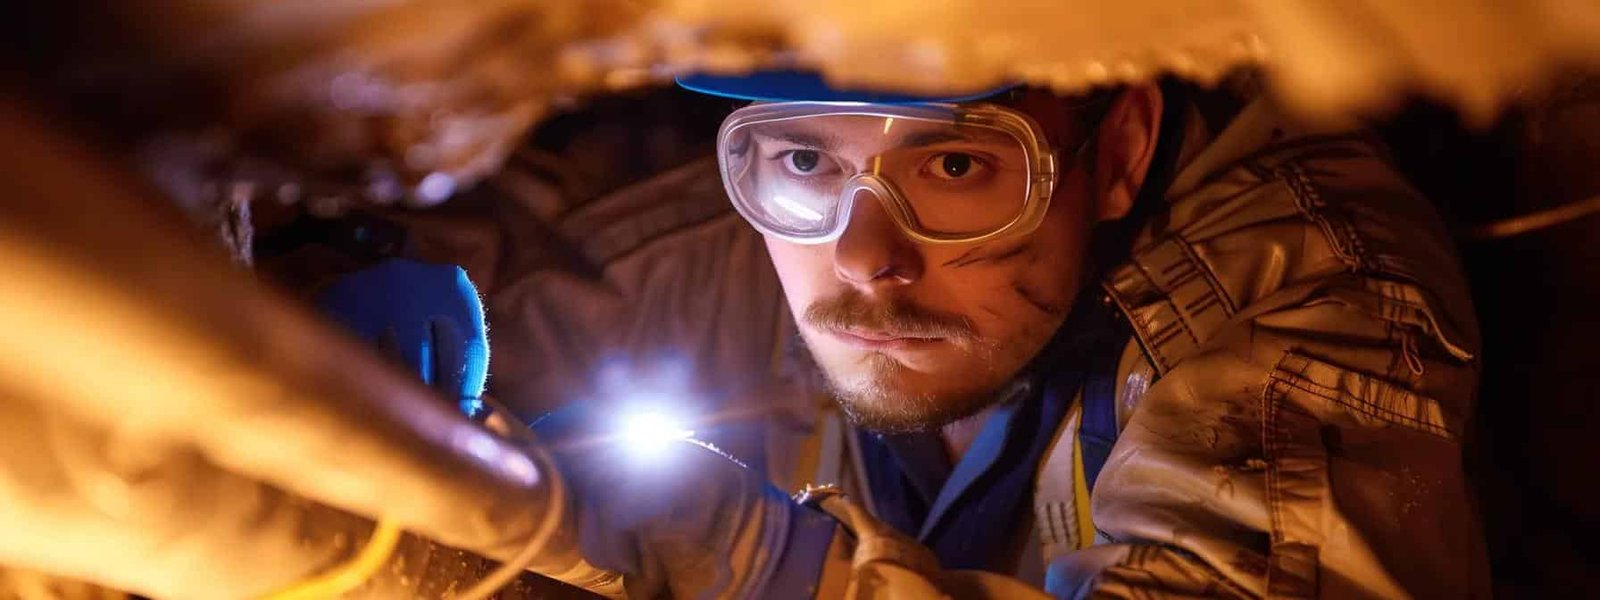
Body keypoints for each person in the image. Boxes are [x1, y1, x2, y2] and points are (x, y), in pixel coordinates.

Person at [480, 72, 1487, 598]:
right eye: (801, 161)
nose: (865, 257)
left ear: (1122, 150)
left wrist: (772, 569)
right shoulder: (697, 256)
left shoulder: (1303, 301)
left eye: (955, 167)